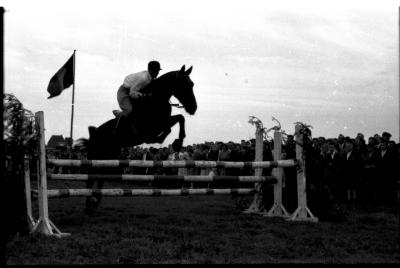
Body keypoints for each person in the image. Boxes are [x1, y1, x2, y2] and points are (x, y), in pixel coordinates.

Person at [115, 61, 162, 139]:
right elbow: (132, 93)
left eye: (158, 71)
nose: (158, 73)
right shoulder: (143, 79)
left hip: (132, 90)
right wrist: (144, 95)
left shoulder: (150, 77)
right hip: (124, 92)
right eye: (156, 71)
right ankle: (117, 127)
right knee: (129, 110)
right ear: (151, 70)